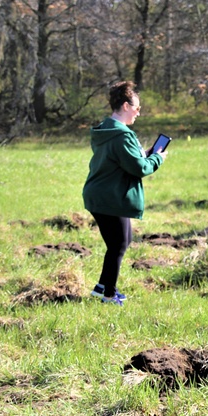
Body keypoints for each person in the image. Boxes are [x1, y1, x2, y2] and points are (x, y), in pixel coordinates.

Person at [82, 81, 166, 306]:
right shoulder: (122, 135)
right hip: (109, 198)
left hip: (98, 195)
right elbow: (139, 168)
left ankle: (102, 286)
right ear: (126, 105)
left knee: (123, 240)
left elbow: (125, 159)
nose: (139, 113)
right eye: (137, 108)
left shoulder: (106, 129)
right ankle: (109, 295)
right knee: (118, 245)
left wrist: (145, 154)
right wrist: (157, 158)